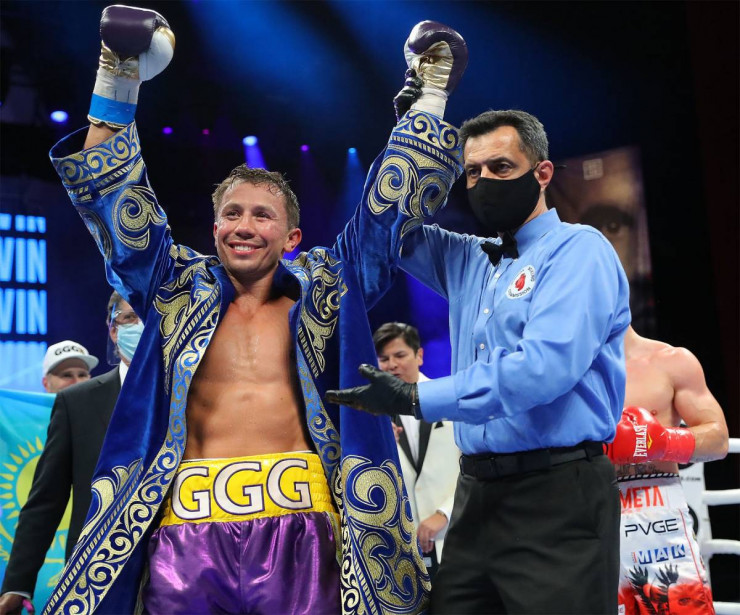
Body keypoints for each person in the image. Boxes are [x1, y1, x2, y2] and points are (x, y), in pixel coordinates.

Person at [42, 7, 466, 615]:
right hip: (187, 532)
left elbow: (385, 218)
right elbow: (115, 206)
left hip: (302, 528)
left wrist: (430, 96)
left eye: (262, 215)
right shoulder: (174, 288)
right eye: (232, 214)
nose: (244, 225)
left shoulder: (326, 288)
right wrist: (116, 75)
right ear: (214, 229)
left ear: (292, 237)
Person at [327, 109, 632, 613]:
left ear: (542, 173)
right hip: (475, 496)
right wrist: (415, 130)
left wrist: (416, 396)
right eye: (472, 172)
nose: (484, 181)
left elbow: (543, 369)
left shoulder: (580, 250)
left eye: (501, 167)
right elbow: (382, 229)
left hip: (556, 494)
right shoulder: (468, 256)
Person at [0, 292, 140, 615]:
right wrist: (17, 583)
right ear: (114, 330)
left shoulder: (189, 392)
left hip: (176, 571)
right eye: (130, 318)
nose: (140, 325)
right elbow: (46, 500)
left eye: (147, 315)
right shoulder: (77, 402)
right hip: (94, 578)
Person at [606, 326, 728, 615]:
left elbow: (719, 440)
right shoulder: (560, 372)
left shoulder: (671, 361)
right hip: (588, 520)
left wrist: (660, 442)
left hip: (660, 529)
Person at [373, 322, 459, 579]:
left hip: (455, 536)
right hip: (400, 549)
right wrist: (379, 447)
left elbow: (472, 465)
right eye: (384, 359)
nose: (392, 365)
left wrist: (445, 513)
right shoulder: (371, 417)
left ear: (419, 355)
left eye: (400, 355)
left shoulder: (450, 400)